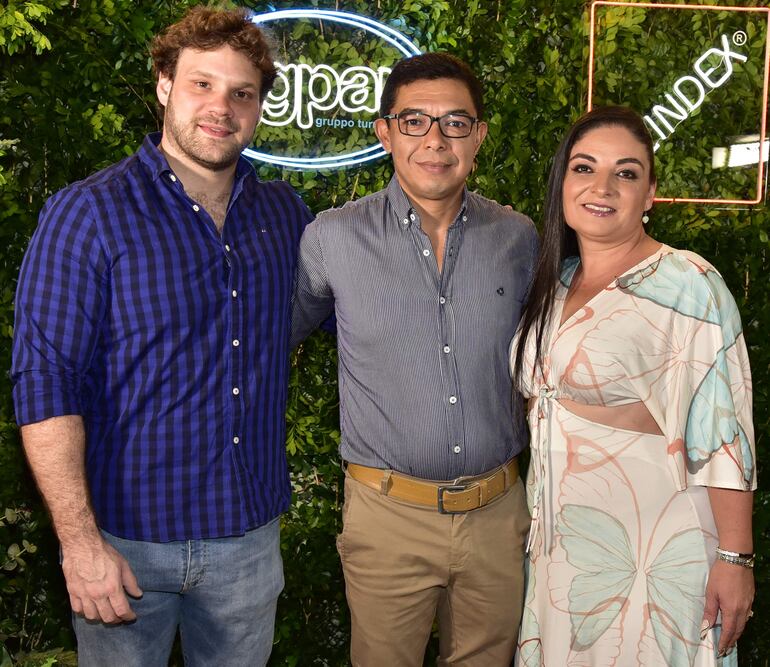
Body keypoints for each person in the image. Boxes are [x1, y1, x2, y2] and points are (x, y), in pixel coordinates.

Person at [11, 7, 312, 666]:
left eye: (242, 93)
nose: (221, 107)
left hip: (248, 543)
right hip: (124, 543)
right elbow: (44, 384)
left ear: (260, 107)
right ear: (164, 85)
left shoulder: (285, 217)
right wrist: (80, 542)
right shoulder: (89, 213)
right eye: (202, 84)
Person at [291, 52, 538, 666]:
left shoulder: (519, 239)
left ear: (478, 134)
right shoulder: (333, 238)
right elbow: (277, 340)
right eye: (414, 121)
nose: (435, 140)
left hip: (499, 517)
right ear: (384, 131)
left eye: (455, 122)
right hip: (387, 518)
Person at [511, 106, 755, 666]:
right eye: (583, 168)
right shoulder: (555, 281)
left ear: (649, 194)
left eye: (625, 173)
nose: (601, 187)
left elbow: (724, 432)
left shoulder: (688, 284)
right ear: (562, 183)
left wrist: (735, 557)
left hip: (653, 551)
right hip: (564, 552)